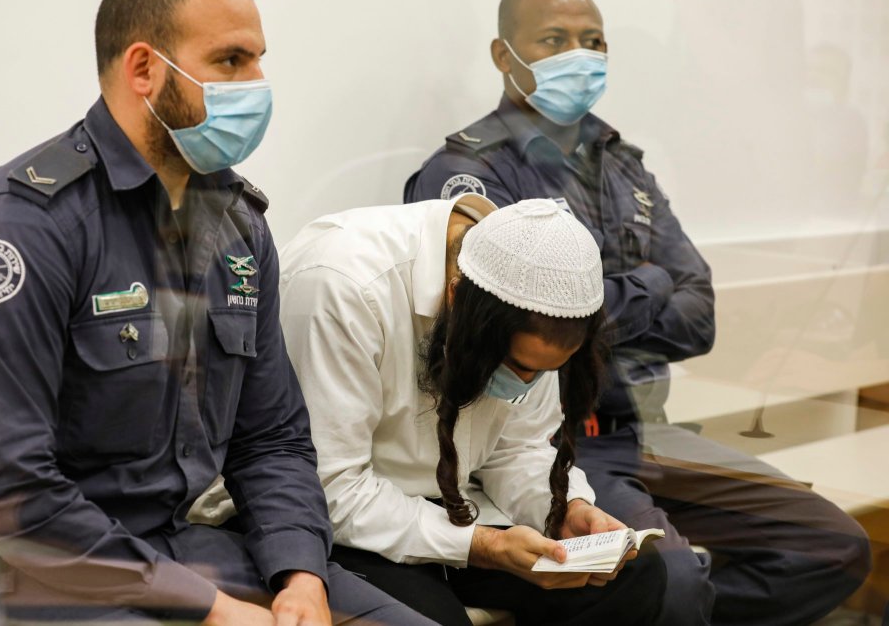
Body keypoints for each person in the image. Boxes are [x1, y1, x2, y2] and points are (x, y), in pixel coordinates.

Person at [0, 0, 433, 626]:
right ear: (144, 68)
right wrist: (209, 607)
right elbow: (9, 493)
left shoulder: (237, 226)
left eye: (258, 61)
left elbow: (272, 438)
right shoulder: (22, 226)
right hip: (4, 565)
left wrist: (300, 576)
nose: (257, 85)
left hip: (169, 546)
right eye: (231, 61)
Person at [404, 0, 871, 625]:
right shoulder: (471, 173)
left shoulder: (621, 163)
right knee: (671, 581)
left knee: (830, 547)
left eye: (594, 41)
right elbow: (508, 326)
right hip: (544, 445)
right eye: (554, 40)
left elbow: (699, 315)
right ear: (503, 55)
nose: (580, 55)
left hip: (645, 429)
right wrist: (651, 283)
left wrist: (595, 306)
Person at [278, 195, 668, 626]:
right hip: (340, 523)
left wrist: (564, 509)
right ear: (455, 296)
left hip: (457, 504)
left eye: (544, 371)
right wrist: (485, 546)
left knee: (635, 576)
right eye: (518, 367)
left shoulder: (536, 289)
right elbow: (332, 488)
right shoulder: (343, 286)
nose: (526, 384)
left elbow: (517, 448)